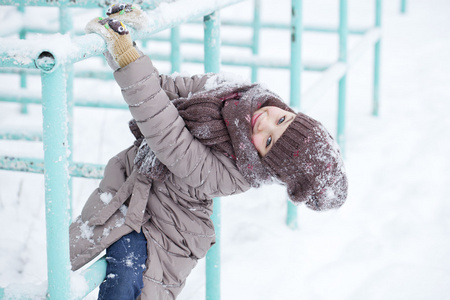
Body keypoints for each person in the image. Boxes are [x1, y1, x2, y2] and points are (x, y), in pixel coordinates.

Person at [69, 4, 348, 300]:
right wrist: (127, 47)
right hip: (141, 193)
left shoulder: (233, 174)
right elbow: (162, 90)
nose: (264, 121)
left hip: (169, 230)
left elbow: (167, 134)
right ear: (291, 113)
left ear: (266, 165)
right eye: (281, 119)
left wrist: (125, 55)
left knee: (125, 278)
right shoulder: (232, 91)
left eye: (267, 141)